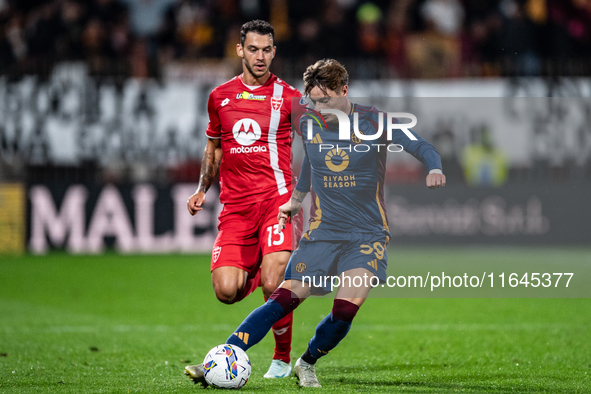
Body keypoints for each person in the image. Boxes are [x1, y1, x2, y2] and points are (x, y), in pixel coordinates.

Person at [189, 58, 447, 388]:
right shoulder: (311, 124)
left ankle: (307, 361)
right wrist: (296, 201)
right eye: (314, 100)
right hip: (323, 233)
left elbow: (421, 144)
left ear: (344, 90)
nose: (320, 107)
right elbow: (313, 163)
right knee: (281, 299)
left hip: (366, 234)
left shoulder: (374, 121)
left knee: (344, 311)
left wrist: (434, 168)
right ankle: (223, 356)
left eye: (326, 100)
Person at [184, 20, 302, 383]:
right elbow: (214, 146)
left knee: (275, 279)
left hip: (277, 202)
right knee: (227, 290)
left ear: (274, 52)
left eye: (267, 50)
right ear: (240, 50)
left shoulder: (290, 98)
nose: (260, 56)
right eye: (253, 49)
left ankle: (282, 359)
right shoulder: (220, 96)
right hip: (235, 208)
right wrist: (203, 187)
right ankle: (260, 272)